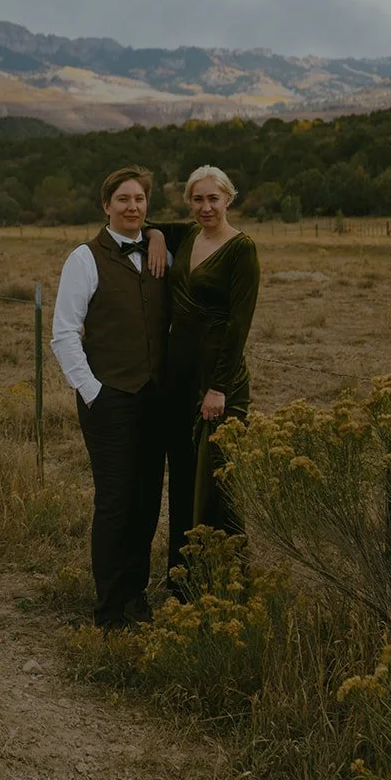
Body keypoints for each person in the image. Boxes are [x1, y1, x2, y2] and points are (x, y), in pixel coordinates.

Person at [51, 165, 169, 630]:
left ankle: (136, 598)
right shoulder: (84, 258)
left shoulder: (162, 253)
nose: (132, 207)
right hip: (110, 399)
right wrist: (93, 391)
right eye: (123, 199)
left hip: (155, 398)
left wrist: (157, 234)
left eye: (139, 200)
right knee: (115, 501)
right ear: (106, 206)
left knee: (146, 501)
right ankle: (110, 610)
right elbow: (63, 334)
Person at [149, 166, 260, 580]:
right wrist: (159, 236)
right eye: (197, 199)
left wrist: (218, 387)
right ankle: (184, 582)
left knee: (217, 484)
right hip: (179, 376)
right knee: (181, 479)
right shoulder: (188, 235)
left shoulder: (241, 249)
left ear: (228, 199)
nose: (206, 207)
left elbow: (239, 324)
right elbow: (139, 221)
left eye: (213, 198)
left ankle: (224, 582)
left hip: (218, 382)